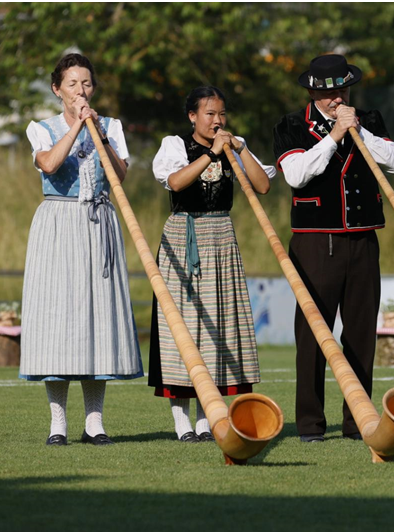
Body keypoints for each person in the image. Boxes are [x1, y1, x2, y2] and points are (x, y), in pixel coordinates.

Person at [272, 54, 394, 442]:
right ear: (312, 92)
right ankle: (311, 424)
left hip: (364, 239)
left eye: (343, 90)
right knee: (314, 336)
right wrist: (332, 137)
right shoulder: (291, 125)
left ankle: (357, 421)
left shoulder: (370, 120)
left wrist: (359, 133)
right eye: (329, 93)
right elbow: (296, 175)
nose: (337, 99)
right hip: (316, 242)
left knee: (362, 335)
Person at [20, 53, 143, 446]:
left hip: (98, 222)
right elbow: (51, 165)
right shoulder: (41, 128)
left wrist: (98, 131)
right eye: (72, 85)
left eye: (86, 84)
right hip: (58, 223)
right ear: (57, 89)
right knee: (57, 320)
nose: (80, 91)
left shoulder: (111, 126)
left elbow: (120, 175)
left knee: (96, 318)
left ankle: (95, 423)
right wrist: (76, 127)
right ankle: (58, 423)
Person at [149, 86, 276, 443]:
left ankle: (208, 420)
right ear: (192, 116)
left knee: (218, 326)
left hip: (221, 237)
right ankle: (182, 422)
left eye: (222, 114)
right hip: (184, 237)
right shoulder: (175, 145)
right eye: (209, 114)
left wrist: (240, 149)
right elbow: (175, 182)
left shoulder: (234, 144)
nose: (217, 121)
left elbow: (263, 185)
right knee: (183, 328)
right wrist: (210, 154)